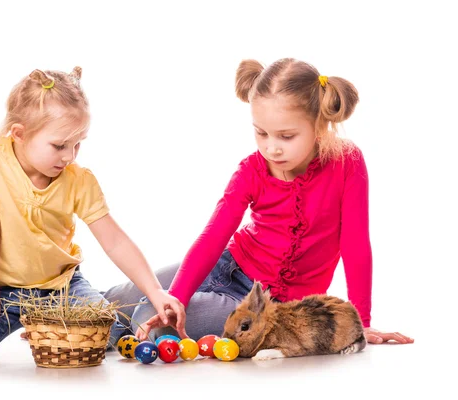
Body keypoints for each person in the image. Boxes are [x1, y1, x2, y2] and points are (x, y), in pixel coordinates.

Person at [104, 58, 414, 346]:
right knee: (126, 295)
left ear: (319, 125)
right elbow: (214, 236)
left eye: (286, 136)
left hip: (269, 307)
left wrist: (361, 322)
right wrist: (179, 296)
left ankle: (116, 330)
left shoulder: (347, 161)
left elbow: (355, 243)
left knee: (149, 317)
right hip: (227, 264)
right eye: (261, 133)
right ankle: (77, 314)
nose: (271, 148)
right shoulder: (252, 169)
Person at [0, 67, 185, 357]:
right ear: (19, 134)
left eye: (78, 144)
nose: (69, 156)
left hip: (60, 287)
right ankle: (45, 319)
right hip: (2, 289)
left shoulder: (78, 179)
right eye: (60, 145)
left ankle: (80, 309)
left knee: (109, 332)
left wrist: (154, 291)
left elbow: (114, 240)